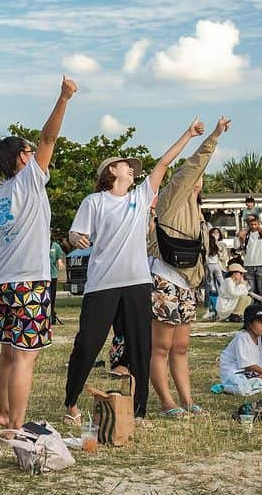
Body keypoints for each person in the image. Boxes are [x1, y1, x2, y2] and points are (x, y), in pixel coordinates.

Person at [63, 121, 202, 426]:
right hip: (102, 284)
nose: (132, 169)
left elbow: (164, 162)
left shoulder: (139, 198)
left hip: (138, 283)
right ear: (111, 171)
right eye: (127, 166)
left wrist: (189, 134)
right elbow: (75, 233)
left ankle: (138, 411)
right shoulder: (94, 201)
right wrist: (77, 239)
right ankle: (71, 403)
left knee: (141, 346)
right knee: (88, 343)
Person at [0, 76, 77, 429]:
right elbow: (49, 138)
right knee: (26, 357)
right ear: (20, 158)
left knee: (8, 352)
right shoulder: (29, 179)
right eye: (27, 151)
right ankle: (17, 426)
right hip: (29, 284)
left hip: (2, 285)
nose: (33, 155)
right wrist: (64, 99)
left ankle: (4, 412)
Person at [146, 115, 230, 416]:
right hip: (164, 279)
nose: (200, 176)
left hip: (186, 285)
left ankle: (188, 400)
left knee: (181, 348)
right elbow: (193, 165)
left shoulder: (197, 211)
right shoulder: (172, 198)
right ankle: (167, 402)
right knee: (161, 347)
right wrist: (214, 136)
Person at [218, 304, 262, 395]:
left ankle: (259, 382)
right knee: (245, 388)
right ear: (249, 324)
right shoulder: (242, 337)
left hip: (251, 374)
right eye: (260, 322)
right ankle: (231, 387)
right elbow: (249, 366)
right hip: (235, 374)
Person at [238, 213, 262, 298]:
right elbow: (237, 247)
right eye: (251, 224)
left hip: (261, 264)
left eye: (255, 224)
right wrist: (239, 237)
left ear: (258, 223)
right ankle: (251, 309)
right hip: (248, 265)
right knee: (250, 290)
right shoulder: (245, 234)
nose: (253, 226)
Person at [205, 227, 228, 315]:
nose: (215, 234)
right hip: (209, 266)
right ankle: (209, 309)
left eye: (217, 233)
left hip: (219, 266)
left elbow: (224, 257)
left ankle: (222, 307)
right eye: (213, 233)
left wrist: (218, 248)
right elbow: (205, 255)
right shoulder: (207, 244)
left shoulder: (222, 244)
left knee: (221, 286)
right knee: (210, 288)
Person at [49, 238, 66, 325]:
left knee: (52, 297)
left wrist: (60, 263)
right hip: (42, 277)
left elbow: (59, 259)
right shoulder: (40, 244)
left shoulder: (56, 246)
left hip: (52, 276)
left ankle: (51, 316)